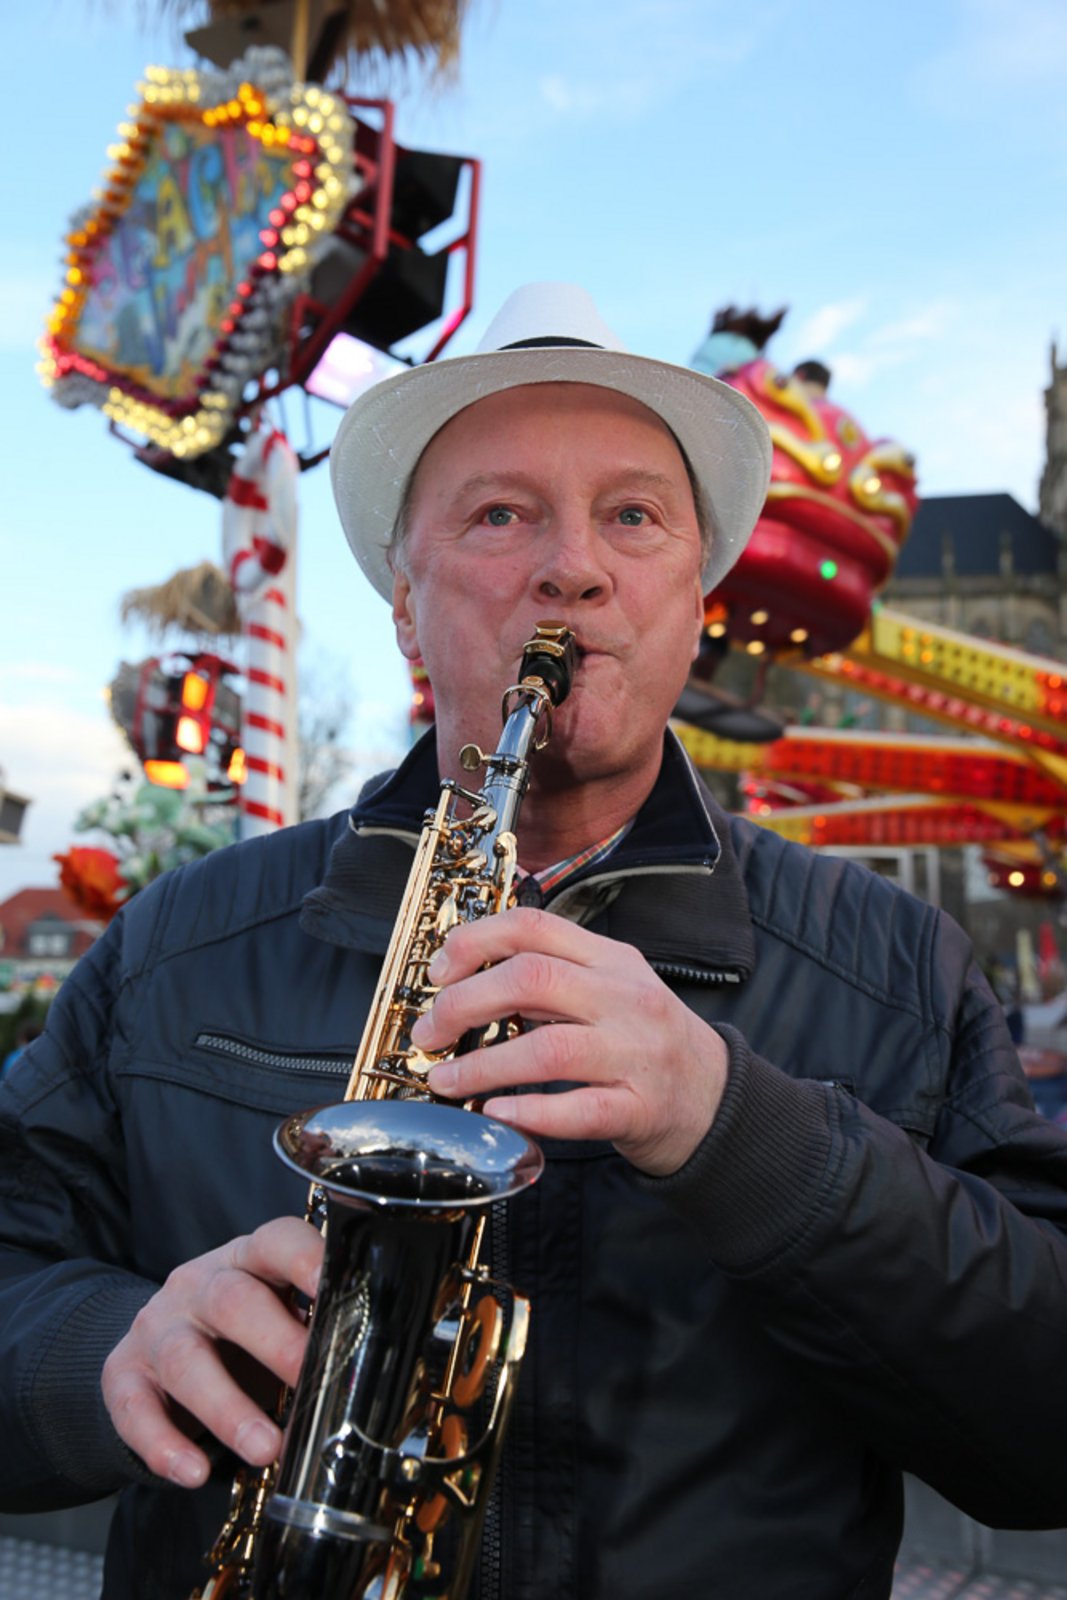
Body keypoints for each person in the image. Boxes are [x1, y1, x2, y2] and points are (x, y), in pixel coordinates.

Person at [2, 283, 1066, 1600]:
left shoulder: (902, 966)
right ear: (405, 605)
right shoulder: (175, 943)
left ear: (695, 600)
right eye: (501, 515)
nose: (575, 568)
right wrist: (104, 1350)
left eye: (634, 516)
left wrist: (738, 1126)